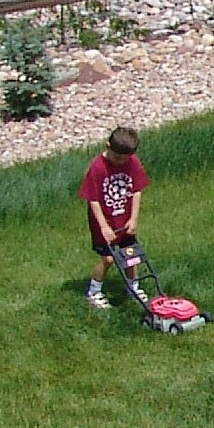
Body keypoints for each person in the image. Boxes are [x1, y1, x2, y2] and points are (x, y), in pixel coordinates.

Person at [79, 126, 150, 309]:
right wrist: (103, 227)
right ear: (108, 145)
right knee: (108, 259)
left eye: (124, 159)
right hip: (104, 221)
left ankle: (133, 287)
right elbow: (92, 199)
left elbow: (136, 190)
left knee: (131, 254)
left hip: (124, 220)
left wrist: (133, 218)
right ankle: (94, 292)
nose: (120, 162)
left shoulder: (132, 162)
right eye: (117, 158)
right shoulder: (97, 168)